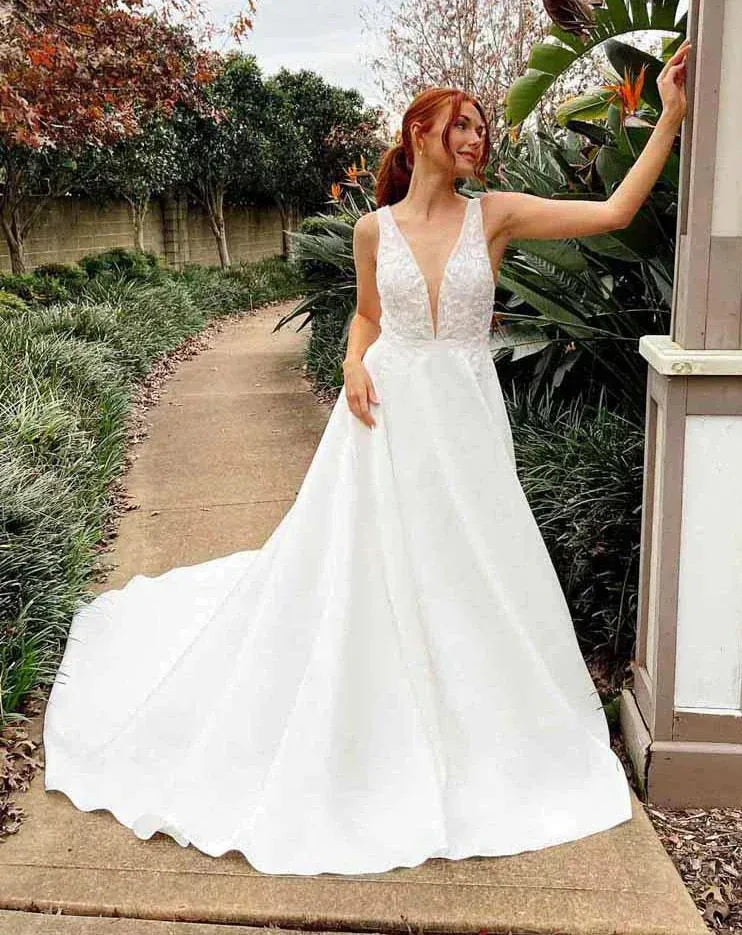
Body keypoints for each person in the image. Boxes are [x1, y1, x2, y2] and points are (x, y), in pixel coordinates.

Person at [42, 42, 689, 877]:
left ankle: (480, 720)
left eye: (482, 127)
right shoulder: (370, 229)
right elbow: (368, 318)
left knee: (471, 564)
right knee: (371, 566)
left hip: (460, 418)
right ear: (419, 131)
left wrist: (669, 115)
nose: (476, 137)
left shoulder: (493, 215)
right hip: (383, 415)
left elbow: (610, 213)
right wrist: (352, 363)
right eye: (461, 123)